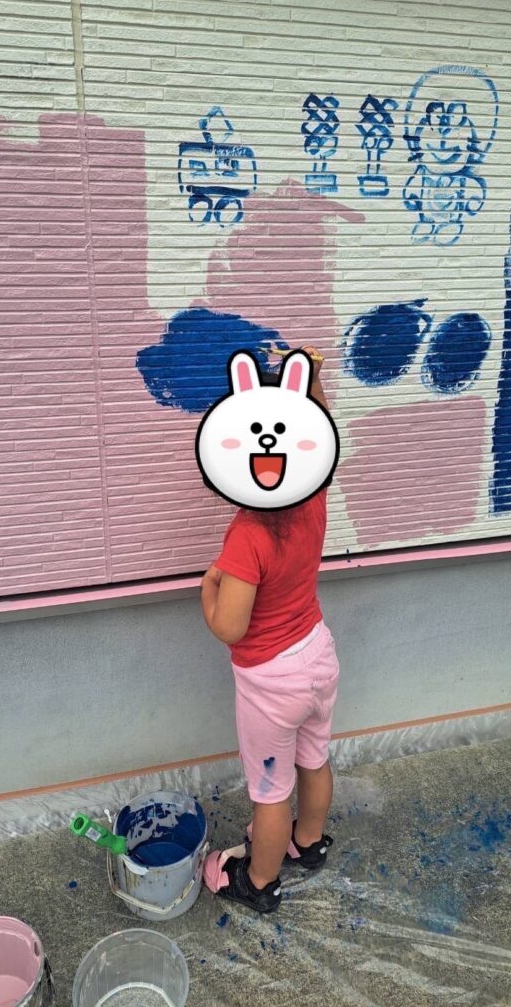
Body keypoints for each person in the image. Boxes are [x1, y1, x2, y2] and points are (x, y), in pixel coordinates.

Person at [200, 346, 340, 913]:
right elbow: (320, 431)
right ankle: (309, 842)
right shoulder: (313, 496)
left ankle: (258, 881)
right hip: (319, 654)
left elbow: (231, 627)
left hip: (271, 682)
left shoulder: (247, 536)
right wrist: (313, 379)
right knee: (315, 758)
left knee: (270, 790)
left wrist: (208, 588)